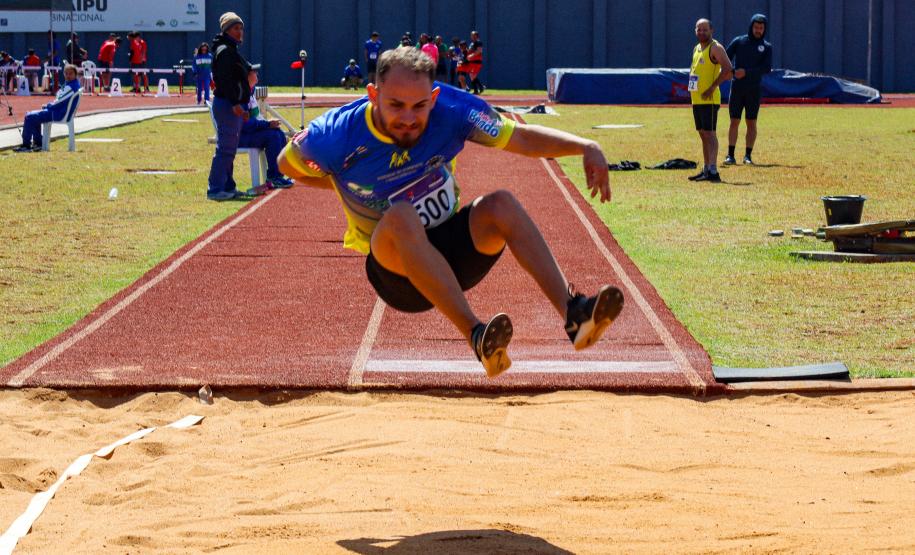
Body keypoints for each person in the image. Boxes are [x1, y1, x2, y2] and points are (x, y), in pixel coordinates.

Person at [277, 47, 624, 377]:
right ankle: (477, 335)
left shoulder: (456, 112)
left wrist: (585, 146)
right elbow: (287, 165)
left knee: (501, 203)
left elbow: (520, 138)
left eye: (420, 106)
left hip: (453, 256)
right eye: (396, 105)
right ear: (372, 95)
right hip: (396, 273)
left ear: (435, 99)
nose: (409, 118)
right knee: (401, 216)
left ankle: (575, 314)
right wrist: (342, 186)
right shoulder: (333, 136)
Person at [208, 12, 254, 201]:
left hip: (231, 104)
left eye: (241, 28)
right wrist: (235, 103)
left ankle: (228, 186)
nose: (240, 31)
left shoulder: (230, 49)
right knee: (225, 149)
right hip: (228, 105)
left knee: (230, 148)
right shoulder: (225, 51)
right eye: (236, 28)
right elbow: (224, 80)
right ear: (227, 30)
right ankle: (215, 189)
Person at [687, 19, 732, 183]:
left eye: (705, 30)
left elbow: (728, 70)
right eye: (699, 30)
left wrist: (713, 87)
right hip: (697, 98)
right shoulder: (697, 48)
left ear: (711, 30)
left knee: (710, 133)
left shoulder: (716, 48)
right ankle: (706, 168)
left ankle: (713, 170)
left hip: (709, 99)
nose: (701, 33)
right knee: (702, 133)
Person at [724, 14, 772, 166]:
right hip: (737, 88)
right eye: (756, 27)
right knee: (734, 121)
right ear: (751, 26)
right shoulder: (739, 41)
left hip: (754, 90)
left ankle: (748, 156)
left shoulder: (767, 47)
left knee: (751, 122)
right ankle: (730, 155)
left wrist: (747, 72)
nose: (758, 30)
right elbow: (725, 57)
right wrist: (731, 72)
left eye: (761, 28)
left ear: (764, 29)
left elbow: (766, 68)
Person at [239, 69, 295, 194]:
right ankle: (273, 177)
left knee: (278, 133)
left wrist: (268, 124)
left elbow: (255, 119)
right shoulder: (241, 95)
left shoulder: (251, 91)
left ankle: (278, 174)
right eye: (254, 72)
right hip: (241, 136)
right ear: (247, 76)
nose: (257, 74)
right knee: (273, 136)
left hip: (250, 132)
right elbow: (246, 124)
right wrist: (267, 124)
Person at [13, 64, 81, 153]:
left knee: (29, 117)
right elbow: (60, 99)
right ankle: (38, 144)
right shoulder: (74, 84)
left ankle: (26, 146)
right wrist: (50, 105)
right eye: (66, 73)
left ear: (75, 74)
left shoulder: (70, 87)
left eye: (70, 74)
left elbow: (59, 101)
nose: (68, 76)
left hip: (58, 113)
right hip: (60, 112)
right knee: (32, 115)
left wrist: (48, 105)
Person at [466, 31, 485, 95]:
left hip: (476, 61)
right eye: (471, 35)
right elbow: (470, 50)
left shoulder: (478, 42)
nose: (472, 36)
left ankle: (479, 88)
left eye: (473, 35)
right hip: (472, 61)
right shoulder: (472, 43)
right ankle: (477, 89)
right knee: (472, 76)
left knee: (472, 75)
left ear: (477, 36)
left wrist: (472, 55)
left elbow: (479, 50)